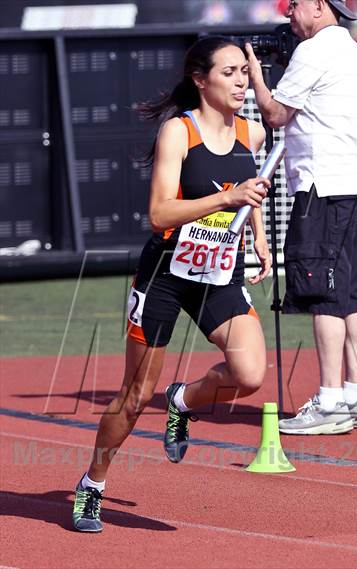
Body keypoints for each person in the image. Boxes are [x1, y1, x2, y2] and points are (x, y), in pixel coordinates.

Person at [72, 36, 272, 532]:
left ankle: (183, 401)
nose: (242, 80)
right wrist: (226, 201)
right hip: (166, 274)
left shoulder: (253, 134)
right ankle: (91, 486)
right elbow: (160, 213)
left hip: (218, 274)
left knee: (250, 376)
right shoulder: (178, 133)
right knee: (136, 396)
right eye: (230, 72)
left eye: (244, 71)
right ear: (200, 81)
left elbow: (252, 193)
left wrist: (259, 237)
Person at [246, 0, 357, 435]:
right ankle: (356, 394)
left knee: (323, 292)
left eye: (296, 4)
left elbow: (276, 114)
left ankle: (329, 399)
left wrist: (257, 78)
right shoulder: (352, 50)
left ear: (320, 6)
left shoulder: (315, 49)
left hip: (323, 188)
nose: (289, 13)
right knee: (352, 296)